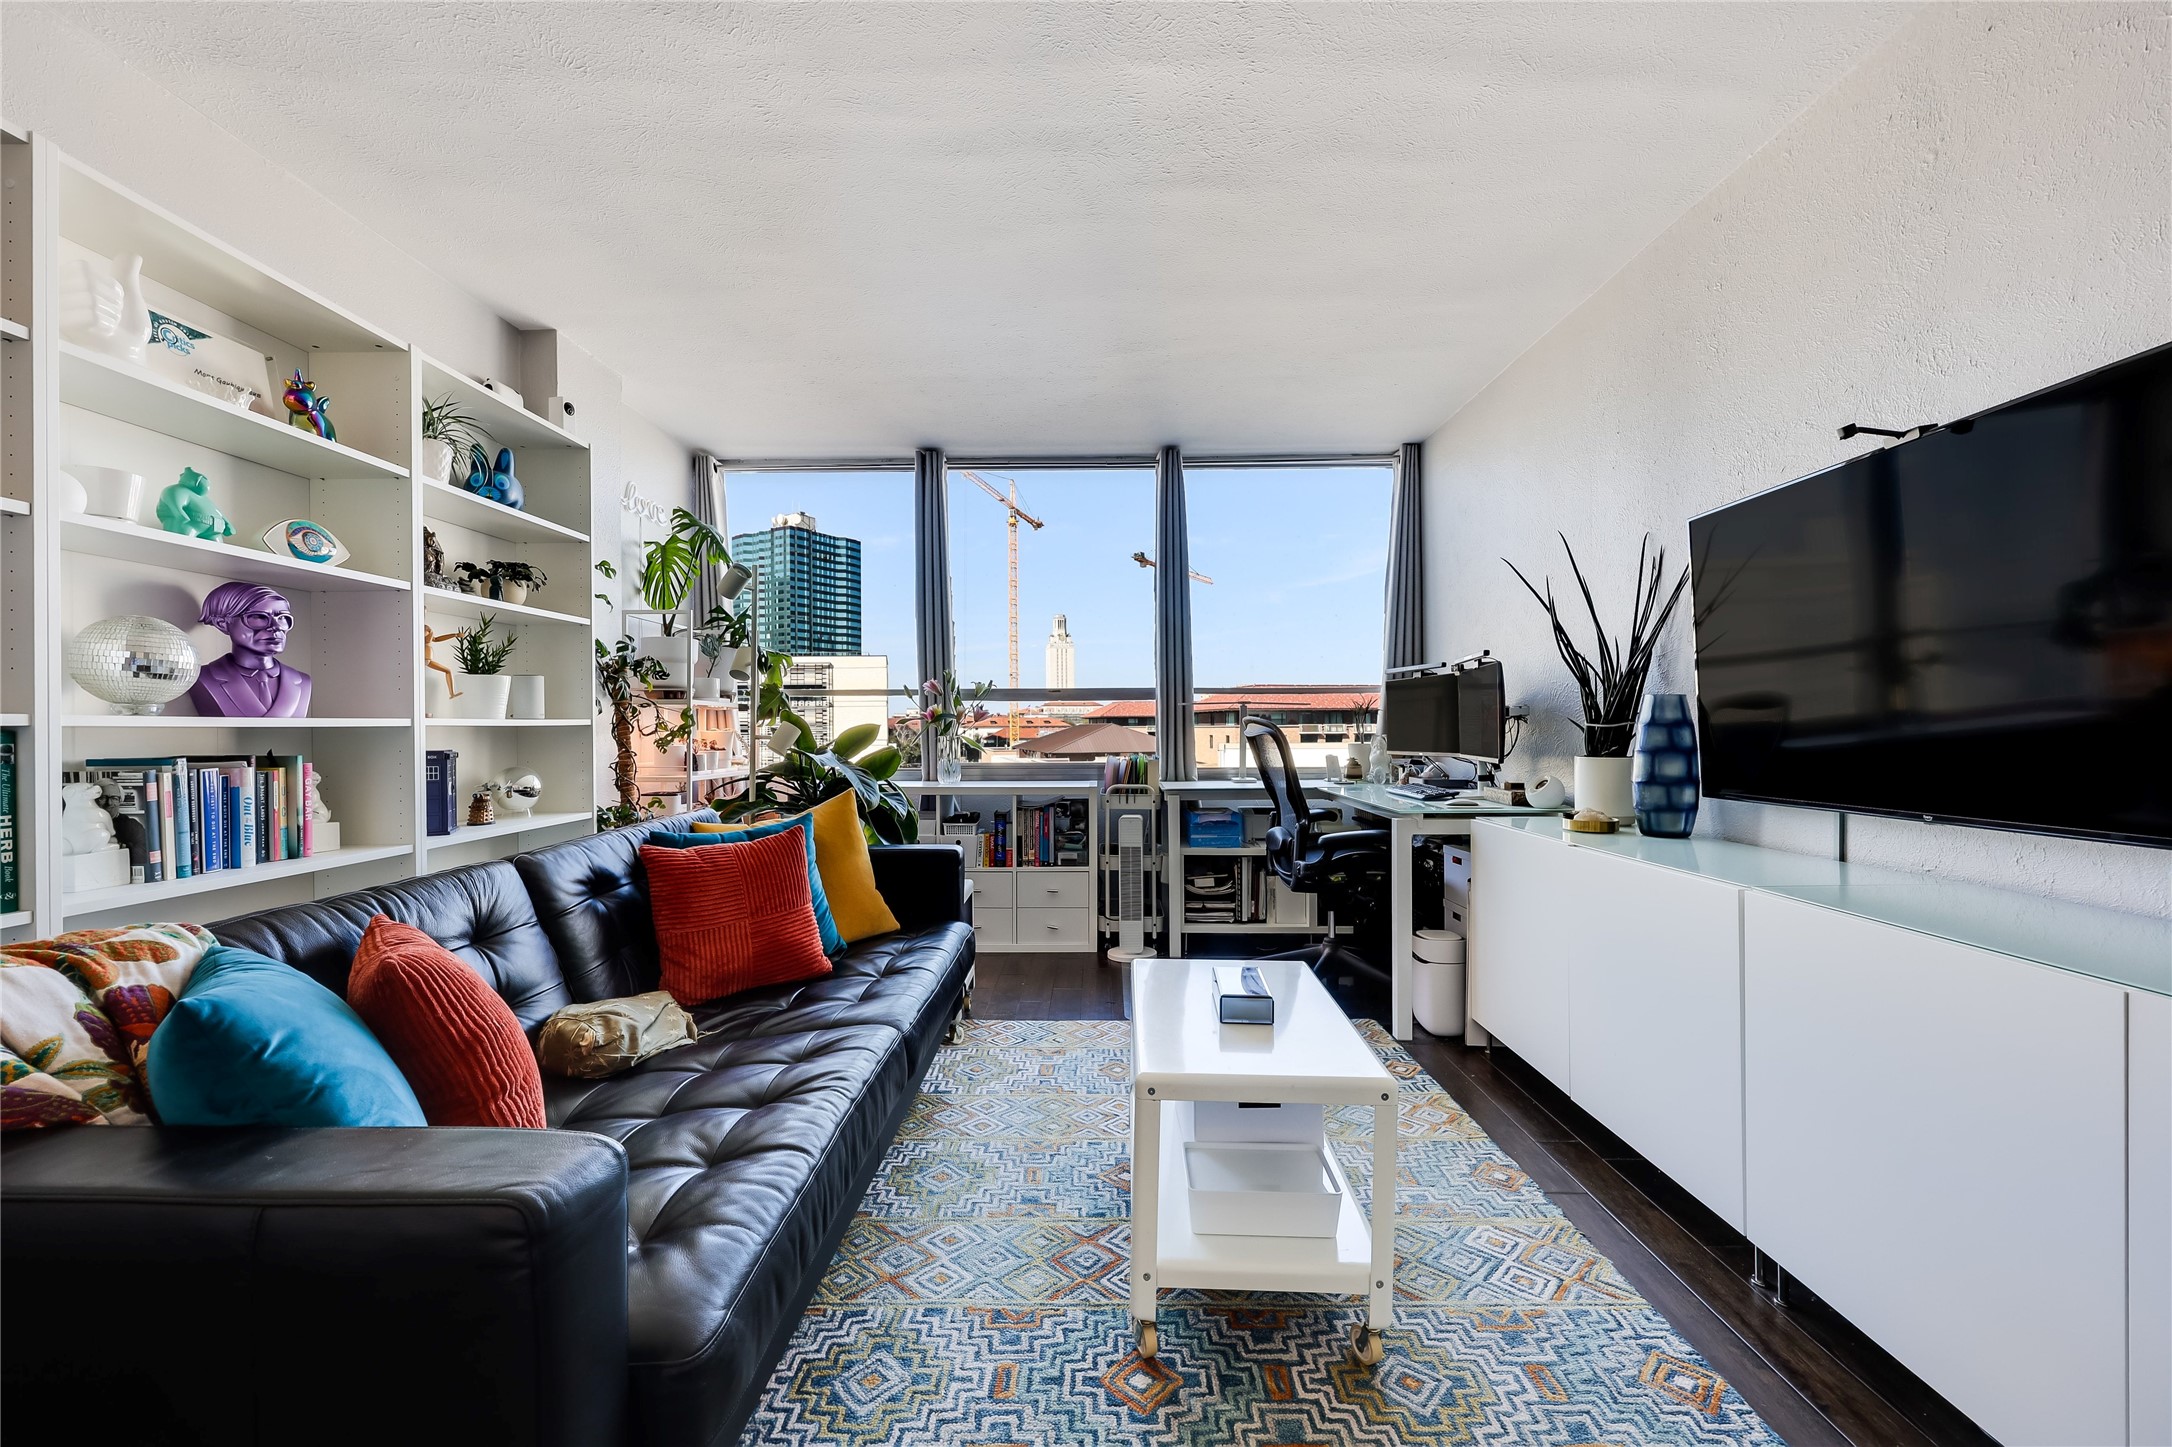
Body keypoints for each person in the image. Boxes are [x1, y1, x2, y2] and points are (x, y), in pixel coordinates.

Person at [187, 581, 312, 717]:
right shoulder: (202, 677)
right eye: (258, 617)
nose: (276, 627)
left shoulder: (302, 680)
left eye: (282, 618)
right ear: (222, 623)